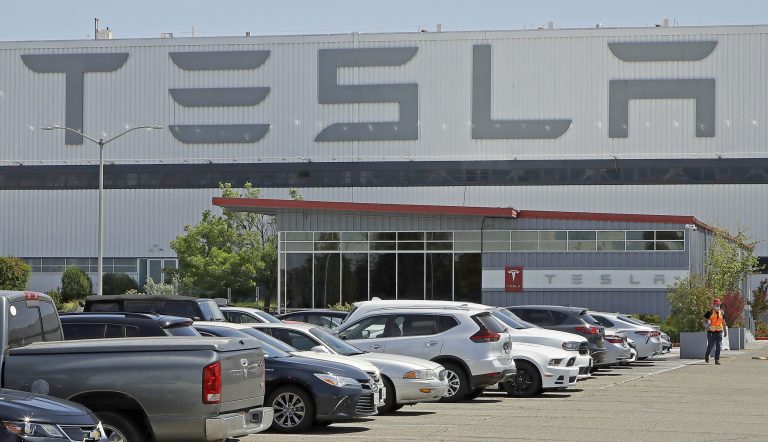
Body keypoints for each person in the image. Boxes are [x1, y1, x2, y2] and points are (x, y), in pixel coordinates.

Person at [702, 298, 727, 364]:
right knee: (710, 345)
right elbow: (703, 321)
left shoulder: (722, 313)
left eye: (719, 304)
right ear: (713, 304)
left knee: (718, 346)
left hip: (719, 332)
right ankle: (707, 355)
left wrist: (725, 331)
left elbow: (723, 323)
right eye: (716, 304)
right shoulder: (709, 312)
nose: (717, 306)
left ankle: (717, 360)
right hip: (711, 332)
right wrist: (707, 326)